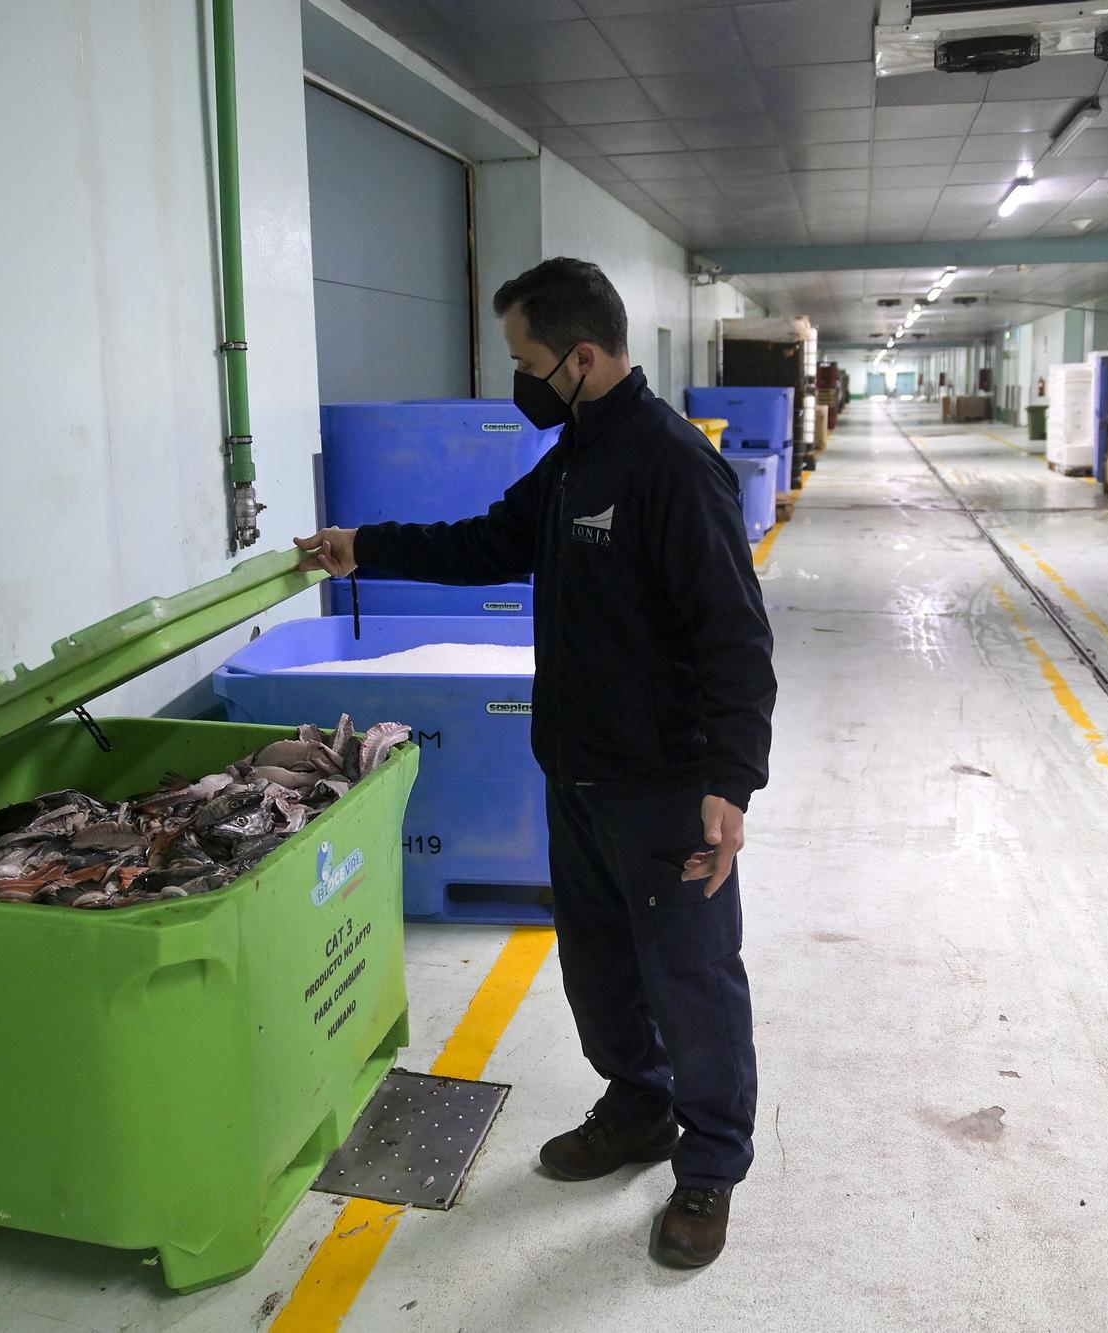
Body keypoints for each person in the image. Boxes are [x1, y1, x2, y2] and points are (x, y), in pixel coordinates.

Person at [296, 257, 777, 1269]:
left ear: (583, 357)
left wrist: (728, 785)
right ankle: (637, 1108)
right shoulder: (571, 459)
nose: (518, 377)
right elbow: (485, 541)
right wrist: (361, 547)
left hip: (661, 786)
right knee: (599, 971)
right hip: (577, 776)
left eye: (525, 359)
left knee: (688, 978)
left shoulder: (670, 467)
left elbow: (734, 637)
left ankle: (710, 1165)